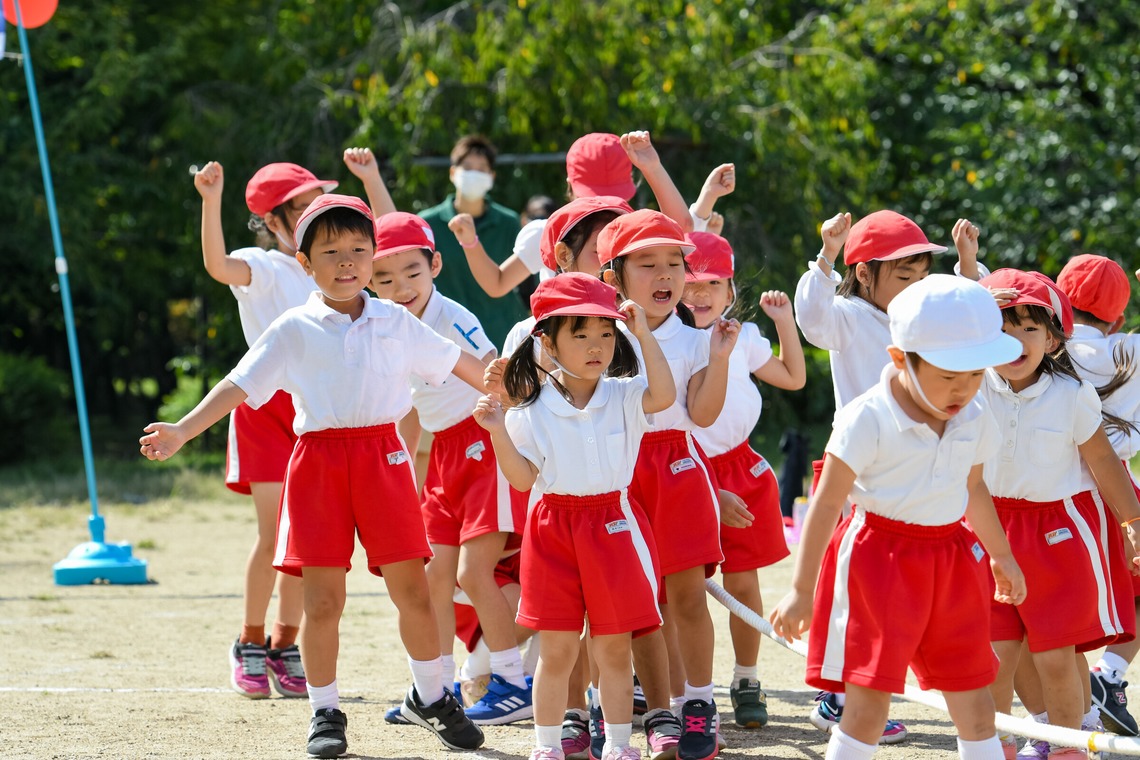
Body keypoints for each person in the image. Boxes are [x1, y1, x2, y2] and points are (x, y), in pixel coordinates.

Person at [140, 194, 486, 758]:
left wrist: (519, 396)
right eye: (330, 252)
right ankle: (325, 712)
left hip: (385, 459)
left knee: (415, 593)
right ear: (305, 264)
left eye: (357, 249)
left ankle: (431, 697)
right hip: (318, 464)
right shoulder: (293, 327)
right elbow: (237, 385)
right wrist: (182, 428)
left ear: (374, 257)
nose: (346, 261)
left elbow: (469, 370)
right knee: (323, 602)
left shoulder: (396, 321)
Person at [771, 273, 1028, 760]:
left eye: (975, 375)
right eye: (949, 375)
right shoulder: (867, 416)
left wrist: (1002, 555)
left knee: (975, 698)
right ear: (900, 360)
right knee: (869, 702)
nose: (964, 389)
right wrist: (802, 590)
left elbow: (972, 487)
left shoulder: (975, 416)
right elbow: (826, 502)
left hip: (952, 561)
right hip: (878, 560)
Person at [193, 150, 395, 701]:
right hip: (262, 406)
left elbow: (391, 239)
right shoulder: (262, 265)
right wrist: (211, 202)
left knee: (305, 541)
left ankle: (286, 645)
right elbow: (216, 267)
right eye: (302, 207)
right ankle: (250, 641)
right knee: (271, 535)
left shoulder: (337, 261)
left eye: (319, 202)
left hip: (317, 406)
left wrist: (371, 181)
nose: (317, 213)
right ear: (273, 222)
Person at [474, 272, 675, 760]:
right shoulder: (528, 410)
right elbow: (522, 481)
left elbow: (665, 396)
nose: (596, 346)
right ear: (546, 340)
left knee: (612, 650)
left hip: (613, 525)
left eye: (606, 333)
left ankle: (620, 746)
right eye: (580, 334)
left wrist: (643, 333)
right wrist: (497, 429)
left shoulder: (626, 394)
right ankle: (547, 747)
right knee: (558, 651)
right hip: (553, 530)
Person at [792, 209, 973, 743]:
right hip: (859, 464)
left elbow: (965, 319)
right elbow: (812, 319)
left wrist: (965, 267)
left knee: (901, 581)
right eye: (902, 276)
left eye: (921, 276)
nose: (915, 287)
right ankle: (837, 695)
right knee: (852, 580)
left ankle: (879, 682)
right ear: (865, 274)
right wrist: (826, 254)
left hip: (917, 463)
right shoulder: (847, 313)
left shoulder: (920, 320)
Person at [368, 211, 533, 725]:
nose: (400, 288)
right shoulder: (387, 326)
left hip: (485, 444)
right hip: (443, 455)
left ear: (435, 265)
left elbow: (493, 374)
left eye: (412, 273)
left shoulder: (452, 315)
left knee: (473, 571)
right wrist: (403, 477)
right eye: (384, 279)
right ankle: (435, 689)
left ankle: (512, 681)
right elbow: (414, 411)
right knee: (431, 575)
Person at [975, 267, 1140, 760]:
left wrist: (1133, 524)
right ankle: (992, 745)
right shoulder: (969, 387)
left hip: (1059, 535)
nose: (1017, 340)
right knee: (994, 654)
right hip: (988, 528)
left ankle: (1066, 747)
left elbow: (1105, 463)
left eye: (1030, 329)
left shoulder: (1072, 395)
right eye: (1004, 329)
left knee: (1055, 654)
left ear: (1052, 340)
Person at [598, 209, 740, 760]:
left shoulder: (698, 337)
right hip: (615, 474)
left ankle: (698, 704)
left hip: (678, 470)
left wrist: (722, 360)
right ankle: (635, 711)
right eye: (647, 264)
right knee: (631, 601)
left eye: (675, 264)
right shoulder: (600, 332)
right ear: (613, 276)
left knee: (686, 596)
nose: (665, 275)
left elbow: (702, 415)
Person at [680, 231, 807, 729]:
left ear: (731, 287)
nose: (701, 293)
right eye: (691, 283)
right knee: (683, 590)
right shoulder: (673, 340)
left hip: (741, 468)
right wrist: (709, 492)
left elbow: (795, 378)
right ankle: (689, 691)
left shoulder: (746, 336)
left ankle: (747, 677)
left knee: (744, 583)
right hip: (685, 471)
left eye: (713, 281)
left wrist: (785, 323)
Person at [453, 131, 694, 304]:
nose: (603, 207)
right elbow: (681, 227)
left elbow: (497, 282)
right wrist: (652, 169)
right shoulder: (549, 233)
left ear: (570, 185)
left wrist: (471, 243)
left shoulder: (631, 230)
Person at [1056, 254, 1140, 736]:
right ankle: (1108, 676)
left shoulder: (1043, 346)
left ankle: (1073, 706)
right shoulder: (1128, 352)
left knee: (1063, 601)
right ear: (1120, 318)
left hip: (1055, 486)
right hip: (1118, 488)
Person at [419, 134, 528, 348]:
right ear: (452, 173)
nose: (474, 173)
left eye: (482, 168)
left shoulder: (508, 223)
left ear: (492, 176)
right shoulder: (426, 223)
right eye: (467, 167)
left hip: (500, 337)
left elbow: (526, 288)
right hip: (445, 340)